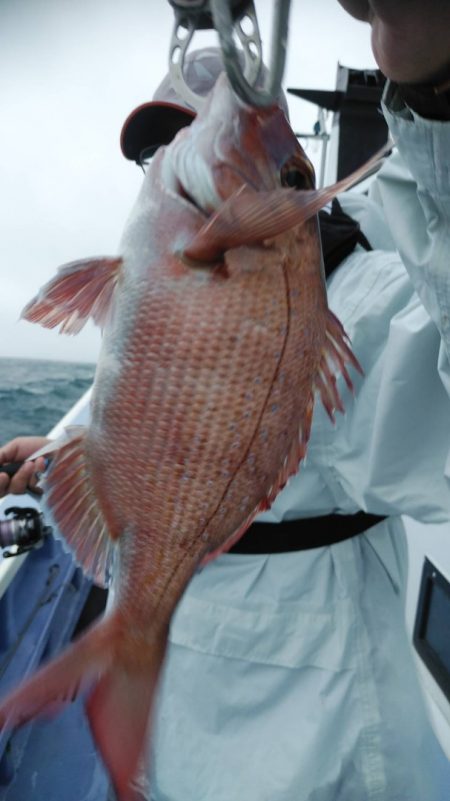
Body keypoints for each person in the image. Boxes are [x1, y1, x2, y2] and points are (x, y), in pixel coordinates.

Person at [1, 4, 450, 800]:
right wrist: (58, 454)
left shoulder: (355, 297)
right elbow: (148, 404)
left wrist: (437, 92)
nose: (160, 163)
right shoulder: (144, 281)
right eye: (152, 151)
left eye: (180, 139)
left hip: (310, 754)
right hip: (181, 715)